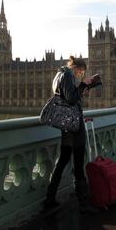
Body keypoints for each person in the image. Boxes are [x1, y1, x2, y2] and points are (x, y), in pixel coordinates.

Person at [44, 56, 101, 212]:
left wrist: (81, 88)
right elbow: (70, 99)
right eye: (81, 72)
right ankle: (83, 203)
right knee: (78, 164)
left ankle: (50, 198)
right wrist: (84, 85)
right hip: (74, 125)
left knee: (62, 161)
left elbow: (67, 96)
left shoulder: (59, 74)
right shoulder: (68, 74)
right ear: (76, 68)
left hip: (67, 125)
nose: (80, 75)